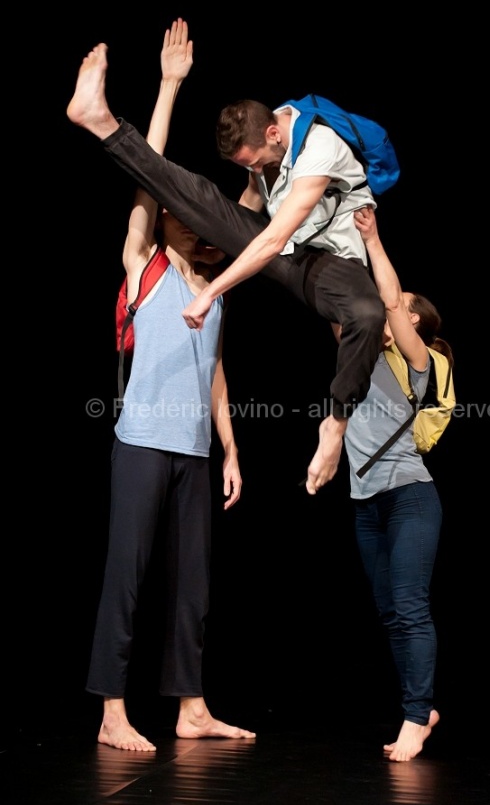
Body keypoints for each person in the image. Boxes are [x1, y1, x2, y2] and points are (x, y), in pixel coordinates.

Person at [66, 43, 386, 497]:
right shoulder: (265, 135)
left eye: (253, 162)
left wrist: (210, 290)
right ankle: (103, 123)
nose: (253, 170)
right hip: (282, 247)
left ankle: (336, 426)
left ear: (275, 135)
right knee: (197, 196)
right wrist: (217, 235)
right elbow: (243, 214)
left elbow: (273, 240)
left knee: (368, 312)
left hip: (328, 263)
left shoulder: (319, 147)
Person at [87, 19, 255, 751]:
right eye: (179, 210)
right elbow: (145, 168)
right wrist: (169, 85)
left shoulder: (213, 288)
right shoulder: (144, 267)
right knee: (127, 578)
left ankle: (191, 708)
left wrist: (230, 448)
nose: (191, 217)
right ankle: (112, 715)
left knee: (195, 589)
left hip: (191, 450)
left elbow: (215, 371)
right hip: (140, 445)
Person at [340, 206, 453, 762]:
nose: (392, 310)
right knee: (389, 609)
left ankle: (415, 716)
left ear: (418, 328)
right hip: (366, 503)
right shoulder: (359, 352)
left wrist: (373, 239)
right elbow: (341, 303)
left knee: (409, 605)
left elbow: (387, 298)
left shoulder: (417, 362)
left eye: (405, 311)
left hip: (410, 495)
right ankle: (421, 706)